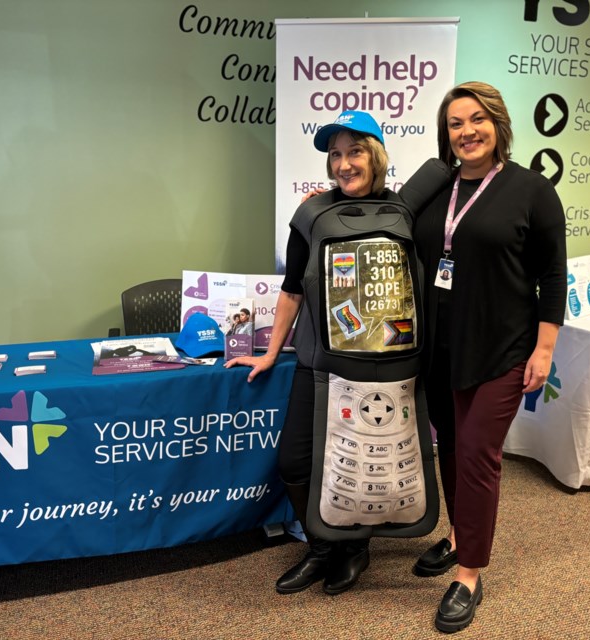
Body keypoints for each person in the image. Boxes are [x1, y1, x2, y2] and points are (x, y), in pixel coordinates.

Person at [409, 81, 566, 634]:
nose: (467, 131)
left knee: (477, 452)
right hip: (442, 346)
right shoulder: (436, 187)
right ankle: (457, 535)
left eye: (477, 119)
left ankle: (470, 572)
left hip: (502, 347)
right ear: (445, 134)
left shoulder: (532, 190)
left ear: (498, 124)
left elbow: (551, 275)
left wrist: (545, 349)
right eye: (455, 123)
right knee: (448, 446)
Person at [225, 110, 401, 596]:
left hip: (378, 368)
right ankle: (322, 548)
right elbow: (290, 292)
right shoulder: (312, 214)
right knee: (295, 463)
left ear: (377, 156)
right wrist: (269, 353)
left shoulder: (401, 215)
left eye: (355, 151)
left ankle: (356, 550)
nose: (344, 164)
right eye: (336, 155)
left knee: (366, 463)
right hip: (317, 362)